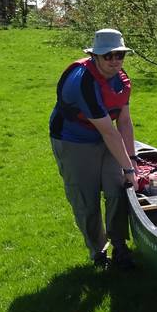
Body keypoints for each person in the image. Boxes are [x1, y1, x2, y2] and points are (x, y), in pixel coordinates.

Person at [49, 28, 139, 270]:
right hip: (73, 141)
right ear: (95, 56)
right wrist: (129, 169)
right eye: (107, 55)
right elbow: (109, 131)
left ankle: (120, 247)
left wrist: (131, 160)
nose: (114, 60)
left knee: (117, 190)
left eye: (119, 54)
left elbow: (124, 121)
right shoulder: (83, 82)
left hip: (103, 137)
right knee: (87, 201)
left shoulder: (121, 78)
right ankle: (98, 253)